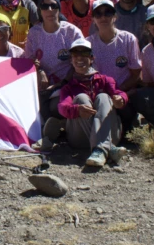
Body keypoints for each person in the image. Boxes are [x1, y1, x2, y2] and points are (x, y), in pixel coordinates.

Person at [49, 39, 127, 168]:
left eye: (84, 54)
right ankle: (107, 148)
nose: (80, 57)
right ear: (71, 60)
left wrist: (121, 99)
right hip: (80, 138)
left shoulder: (105, 81)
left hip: (111, 133)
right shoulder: (68, 88)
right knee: (81, 98)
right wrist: (77, 110)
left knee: (103, 97)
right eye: (75, 54)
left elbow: (119, 94)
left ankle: (100, 149)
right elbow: (62, 107)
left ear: (91, 58)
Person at [24, 0, 83, 124]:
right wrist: (39, 71)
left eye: (53, 5)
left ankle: (59, 126)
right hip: (42, 87)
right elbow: (29, 61)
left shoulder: (72, 32)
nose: (49, 10)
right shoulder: (34, 33)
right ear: (39, 10)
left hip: (68, 84)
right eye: (45, 6)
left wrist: (61, 84)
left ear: (59, 8)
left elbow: (82, 62)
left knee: (54, 107)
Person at [87, 0, 141, 131]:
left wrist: (118, 92)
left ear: (115, 16)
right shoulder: (87, 44)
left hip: (122, 94)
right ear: (93, 19)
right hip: (98, 97)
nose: (103, 17)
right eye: (98, 14)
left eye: (108, 13)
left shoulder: (129, 39)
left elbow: (136, 75)